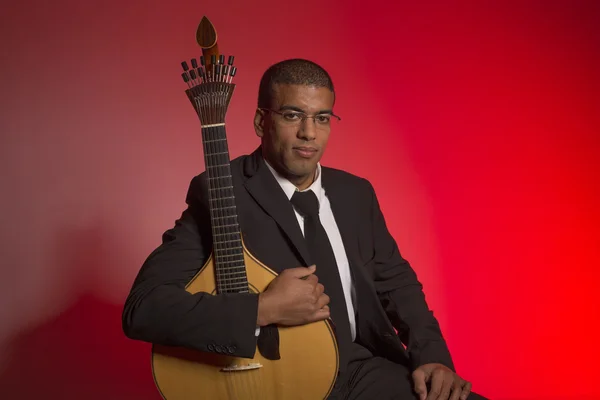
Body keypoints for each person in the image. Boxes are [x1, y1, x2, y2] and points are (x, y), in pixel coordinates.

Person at [122, 58, 487, 400]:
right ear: (261, 122)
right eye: (293, 115)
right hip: (279, 380)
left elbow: (395, 281)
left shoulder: (355, 193)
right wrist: (262, 309)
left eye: (322, 118)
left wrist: (433, 355)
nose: (309, 133)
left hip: (357, 372)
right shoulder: (220, 191)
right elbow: (144, 309)